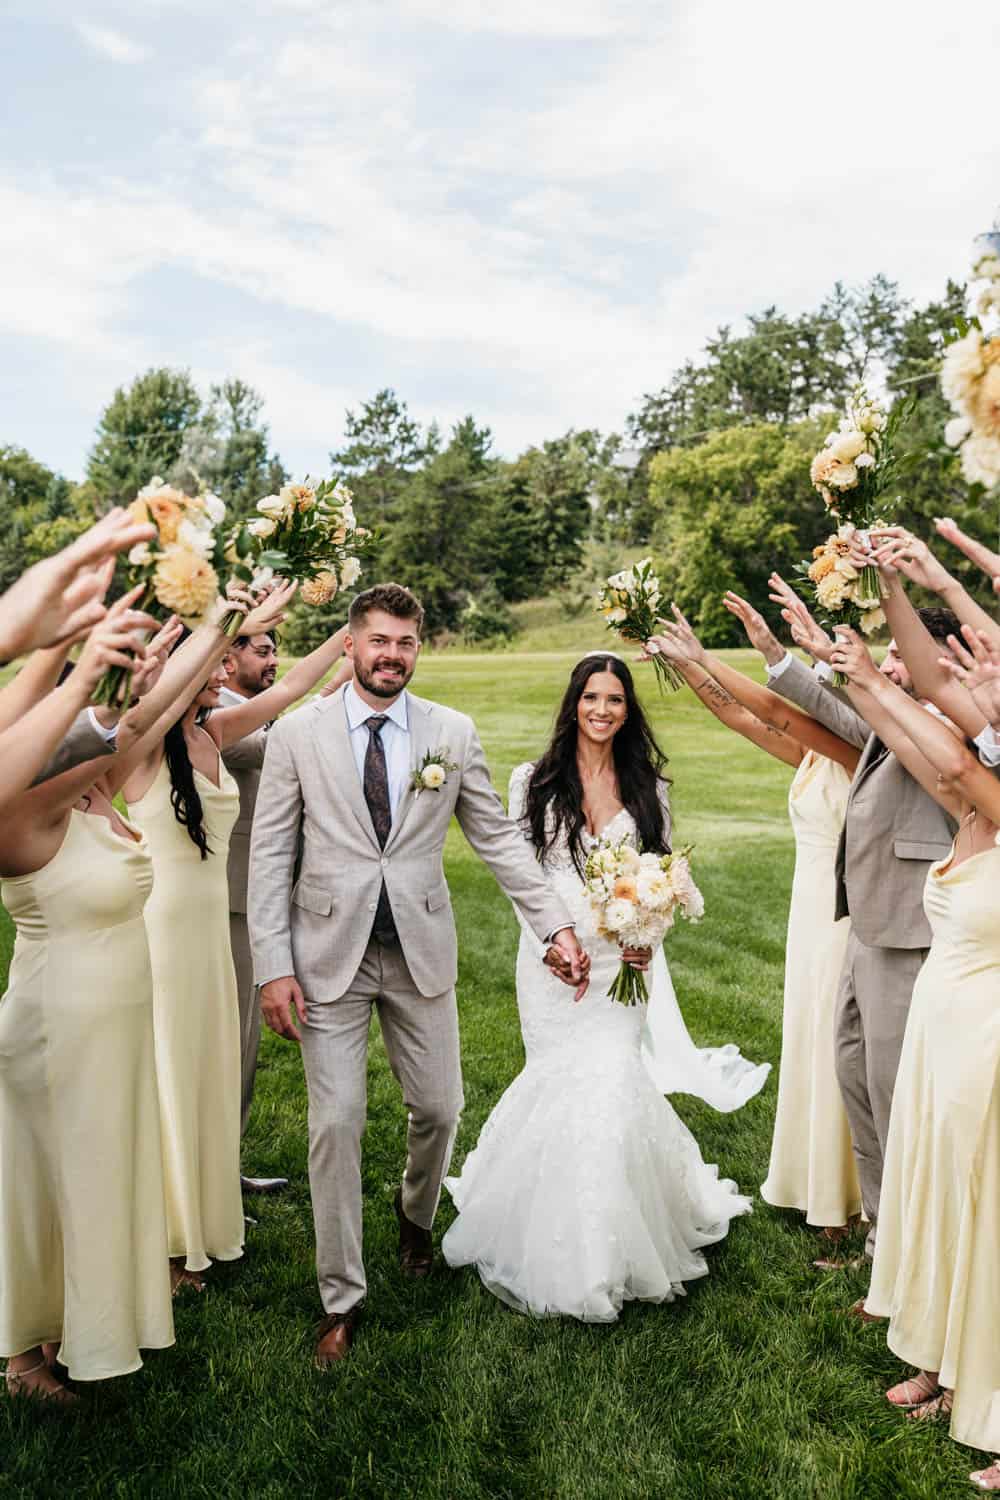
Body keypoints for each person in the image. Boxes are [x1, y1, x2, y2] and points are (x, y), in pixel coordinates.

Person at [248, 582, 589, 1366]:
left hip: (419, 949)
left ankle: (415, 1215)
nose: (391, 655)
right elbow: (269, 858)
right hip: (325, 955)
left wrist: (556, 925)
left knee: (439, 1107)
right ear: (350, 643)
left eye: (404, 643)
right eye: (378, 641)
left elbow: (500, 841)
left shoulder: (451, 732)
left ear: (417, 649)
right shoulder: (298, 735)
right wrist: (273, 965)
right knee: (335, 1124)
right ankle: (342, 1299)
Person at [441, 652, 753, 1322]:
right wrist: (551, 943)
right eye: (591, 698)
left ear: (627, 708)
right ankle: (545, 1220)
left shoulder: (648, 786)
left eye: (615, 699)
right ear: (573, 703)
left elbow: (664, 876)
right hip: (550, 959)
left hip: (620, 965)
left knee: (611, 1080)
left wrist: (648, 938)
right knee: (558, 1077)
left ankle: (607, 1249)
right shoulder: (533, 780)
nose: (602, 711)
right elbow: (517, 874)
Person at [831, 626, 1000, 1491]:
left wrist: (881, 657)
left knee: (988, 1221)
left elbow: (942, 743)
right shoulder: (971, 790)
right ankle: (943, 1365)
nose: (977, 690)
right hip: (947, 1035)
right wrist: (863, 678)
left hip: (989, 1048)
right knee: (940, 1202)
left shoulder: (988, 792)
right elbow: (918, 733)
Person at [760, 586, 958, 1283]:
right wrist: (784, 659)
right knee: (855, 1077)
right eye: (894, 657)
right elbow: (838, 710)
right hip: (864, 918)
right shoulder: (895, 712)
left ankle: (911, 1260)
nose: (894, 668)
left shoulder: (954, 726)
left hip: (911, 930)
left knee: (894, 1092)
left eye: (907, 658)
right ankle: (880, 1236)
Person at [650, 603, 861, 1241]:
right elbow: (740, 716)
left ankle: (848, 1197)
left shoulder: (857, 748)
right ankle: (815, 1182)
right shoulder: (815, 756)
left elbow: (771, 709)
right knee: (809, 1038)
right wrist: (686, 661)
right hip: (809, 914)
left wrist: (713, 657)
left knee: (837, 1047)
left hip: (845, 917)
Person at [121, 584, 302, 1288]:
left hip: (208, 930)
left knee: (209, 1065)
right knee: (170, 1069)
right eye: (216, 662)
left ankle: (202, 1205)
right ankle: (166, 1239)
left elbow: (287, 693)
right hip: (168, 929)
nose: (225, 669)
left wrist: (344, 652)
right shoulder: (144, 744)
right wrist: (225, 617)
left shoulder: (212, 731)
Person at [216, 625, 353, 1189]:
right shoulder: (217, 718)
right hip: (231, 902)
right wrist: (341, 672)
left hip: (261, 901)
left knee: (243, 1048)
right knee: (230, 1043)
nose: (274, 660)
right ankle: (212, 1179)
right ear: (227, 658)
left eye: (277, 650)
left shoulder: (246, 711)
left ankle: (226, 1168)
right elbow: (281, 743)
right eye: (263, 650)